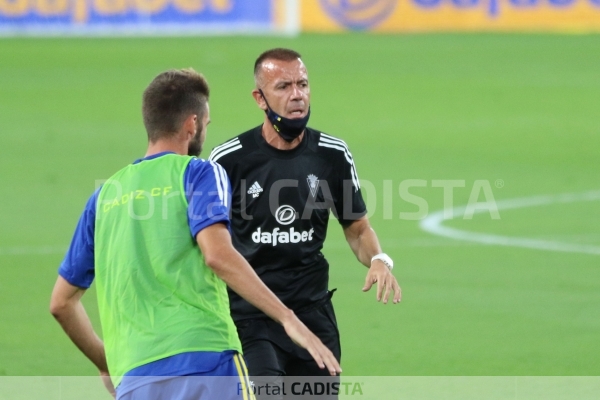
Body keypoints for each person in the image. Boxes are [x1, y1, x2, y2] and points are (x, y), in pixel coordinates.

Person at [49, 68, 341, 400]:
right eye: (206, 122)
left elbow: (61, 303)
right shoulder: (199, 173)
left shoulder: (103, 198)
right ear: (192, 124)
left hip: (135, 376)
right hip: (207, 361)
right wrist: (288, 318)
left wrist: (108, 363)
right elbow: (216, 254)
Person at [208, 49, 401, 383]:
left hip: (313, 314)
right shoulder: (228, 161)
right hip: (251, 318)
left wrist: (379, 258)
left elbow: (356, 229)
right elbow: (209, 245)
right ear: (259, 97)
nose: (297, 94)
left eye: (303, 84)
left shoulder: (331, 154)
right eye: (283, 86)